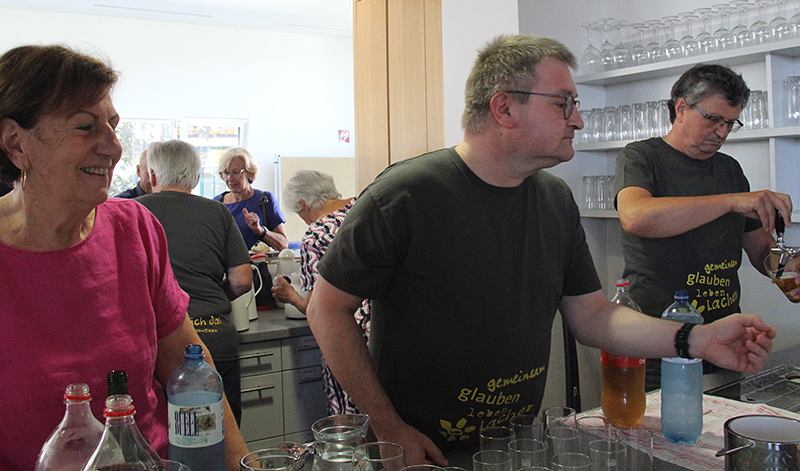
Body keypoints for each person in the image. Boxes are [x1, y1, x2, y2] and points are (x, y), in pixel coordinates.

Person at [306, 35, 776, 466]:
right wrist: (388, 427)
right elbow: (326, 309)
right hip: (420, 451)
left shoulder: (554, 199)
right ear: (504, 108)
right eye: (563, 103)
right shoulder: (405, 194)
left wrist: (697, 339)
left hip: (515, 442)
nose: (578, 119)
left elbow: (593, 317)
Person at [0, 44, 249, 471]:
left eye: (113, 126)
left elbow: (186, 368)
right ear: (15, 143)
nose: (113, 147)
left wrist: (241, 463)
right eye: (85, 127)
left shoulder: (133, 228)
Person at [614, 63, 796, 389]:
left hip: (725, 336)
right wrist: (731, 201)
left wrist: (787, 270)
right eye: (713, 119)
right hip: (660, 339)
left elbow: (759, 248)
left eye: (730, 123)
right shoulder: (641, 157)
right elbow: (636, 217)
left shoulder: (730, 169)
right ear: (681, 108)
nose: (722, 133)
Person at [137, 139, 253, 425]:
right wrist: (215, 295)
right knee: (223, 432)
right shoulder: (217, 212)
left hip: (158, 345)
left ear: (152, 175)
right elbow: (242, 280)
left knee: (170, 436)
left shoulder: (133, 212)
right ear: (196, 176)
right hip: (215, 338)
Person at [273, 169, 367, 415]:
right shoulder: (366, 209)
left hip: (348, 339)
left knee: (351, 420)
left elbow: (318, 309)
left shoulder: (316, 236)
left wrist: (291, 297)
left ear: (304, 205)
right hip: (388, 332)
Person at [215, 146, 289, 251]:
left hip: (257, 261)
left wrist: (260, 230)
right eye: (226, 173)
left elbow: (283, 245)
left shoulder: (264, 200)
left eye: (236, 172)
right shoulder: (217, 204)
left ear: (250, 173)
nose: (230, 178)